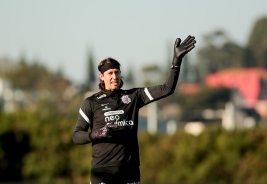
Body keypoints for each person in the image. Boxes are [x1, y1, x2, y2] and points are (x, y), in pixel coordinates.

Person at [73, 35, 196, 184]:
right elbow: (77, 136)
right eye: (110, 73)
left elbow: (167, 89)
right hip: (102, 172)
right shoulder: (90, 102)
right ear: (102, 77)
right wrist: (96, 134)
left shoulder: (134, 96)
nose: (114, 76)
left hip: (129, 171)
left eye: (117, 72)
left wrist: (176, 62)